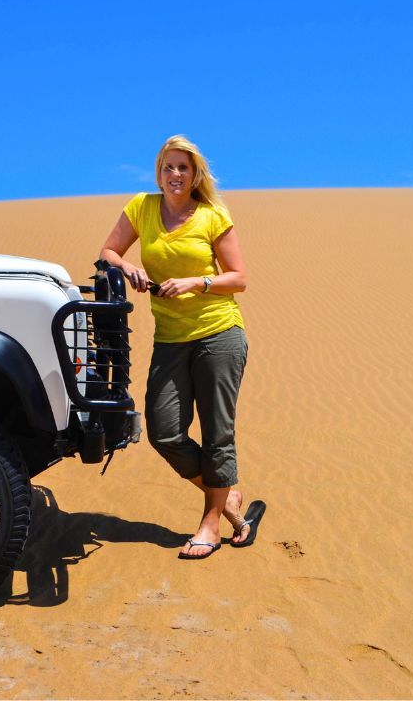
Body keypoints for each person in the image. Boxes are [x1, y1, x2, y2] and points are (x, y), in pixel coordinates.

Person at [100, 134, 266, 560]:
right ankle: (226, 497)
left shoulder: (213, 216)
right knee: (165, 431)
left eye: (183, 168)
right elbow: (108, 251)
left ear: (195, 175)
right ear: (159, 171)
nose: (175, 175)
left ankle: (210, 523)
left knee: (217, 434)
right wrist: (128, 267)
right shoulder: (142, 206)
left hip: (218, 334)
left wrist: (199, 281)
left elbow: (240, 278)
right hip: (170, 338)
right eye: (168, 167)